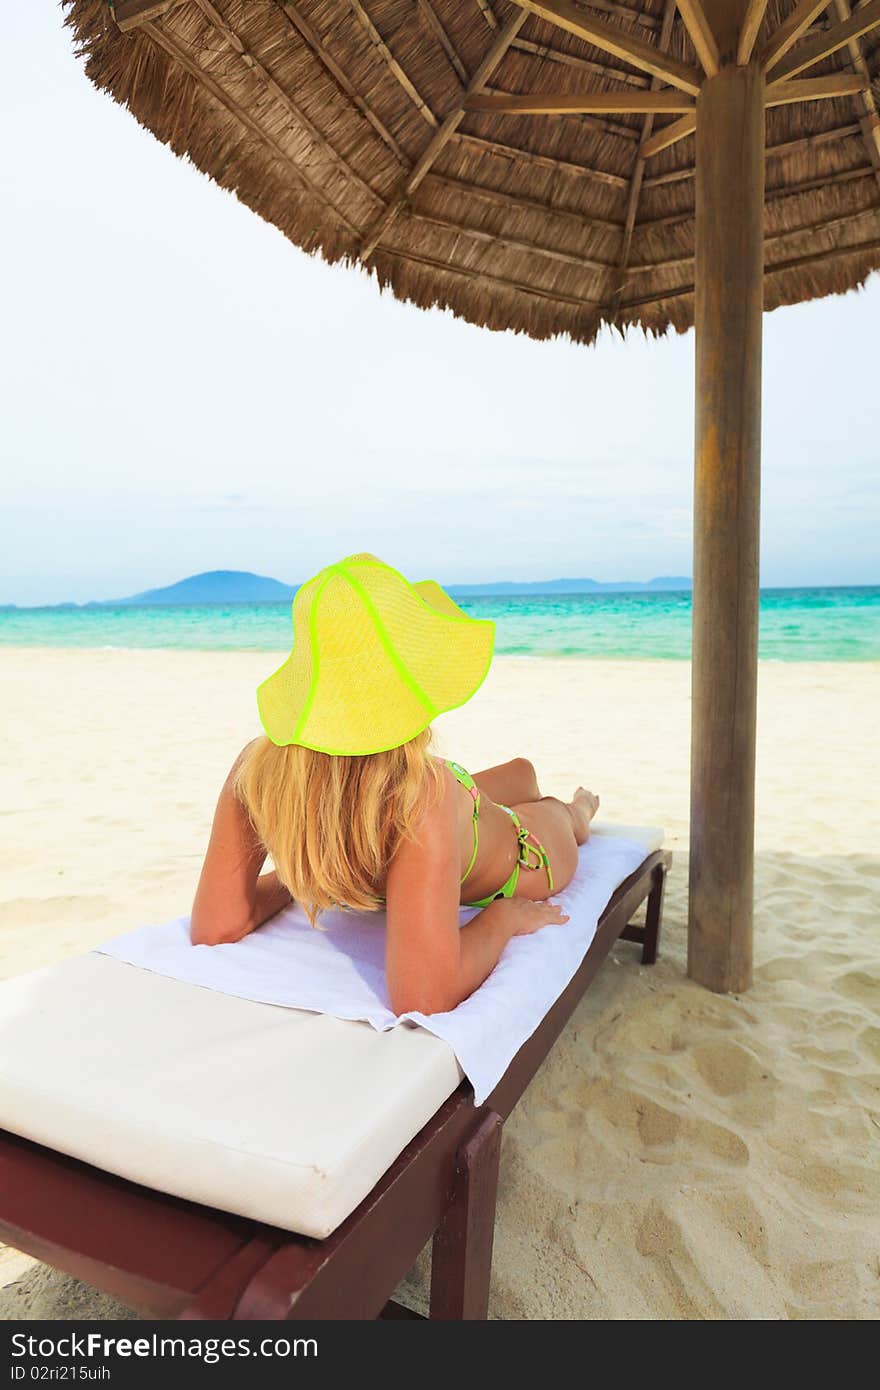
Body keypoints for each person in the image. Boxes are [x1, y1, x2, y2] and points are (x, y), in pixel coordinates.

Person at [191, 554, 600, 1014]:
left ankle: (578, 808)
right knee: (523, 794)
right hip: (479, 830)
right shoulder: (420, 797)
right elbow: (424, 996)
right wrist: (500, 920)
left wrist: (310, 865)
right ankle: (551, 802)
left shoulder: (261, 771)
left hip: (517, 845)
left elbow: (215, 924)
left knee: (549, 803)